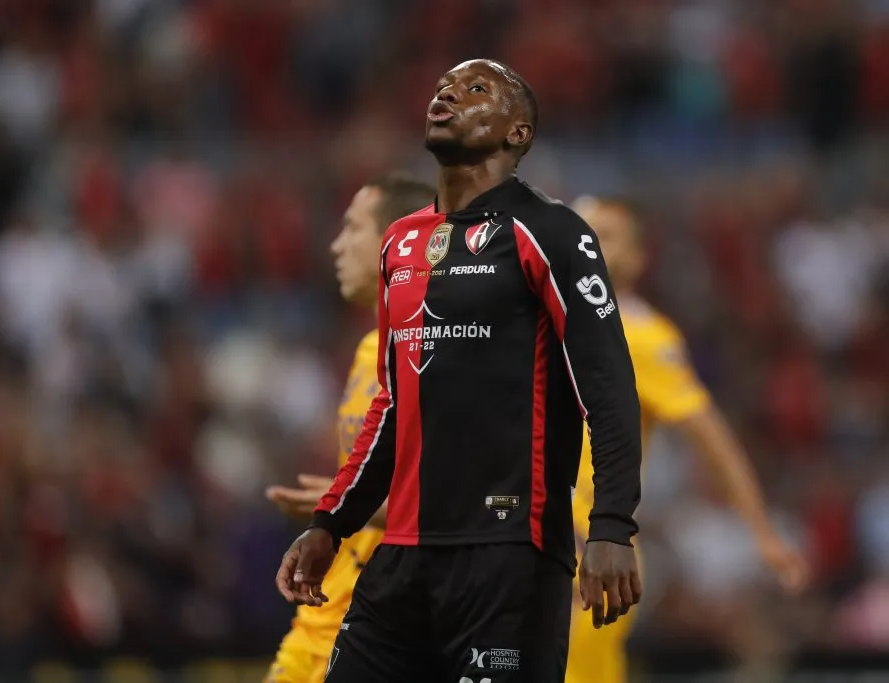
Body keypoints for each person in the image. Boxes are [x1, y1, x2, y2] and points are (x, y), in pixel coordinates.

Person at [276, 59, 643, 683]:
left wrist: (612, 526)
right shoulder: (401, 242)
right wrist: (331, 523)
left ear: (517, 133)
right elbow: (392, 404)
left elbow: (606, 385)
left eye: (476, 90)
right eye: (444, 86)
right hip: (401, 559)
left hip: (509, 556)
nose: (448, 94)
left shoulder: (550, 231)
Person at [564, 195, 810, 683]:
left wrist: (761, 530)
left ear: (638, 258)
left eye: (605, 235)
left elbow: (711, 437)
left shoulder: (641, 335)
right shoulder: (542, 324)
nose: (588, 244)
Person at [263, 173, 436, 683]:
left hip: (393, 624)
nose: (337, 245)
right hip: (325, 614)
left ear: (396, 242)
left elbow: (465, 502)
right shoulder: (369, 352)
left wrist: (348, 509)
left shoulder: (441, 352)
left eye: (353, 228)